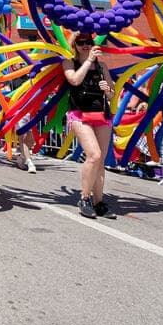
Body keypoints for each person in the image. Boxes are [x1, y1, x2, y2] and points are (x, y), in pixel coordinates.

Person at [64, 33, 118, 219]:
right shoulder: (69, 63)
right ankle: (84, 198)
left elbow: (111, 95)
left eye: (89, 42)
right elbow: (75, 80)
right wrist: (88, 61)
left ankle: (99, 202)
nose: (86, 45)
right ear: (75, 45)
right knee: (93, 155)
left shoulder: (102, 67)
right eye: (81, 42)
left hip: (101, 114)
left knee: (100, 161)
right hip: (79, 114)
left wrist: (107, 89)